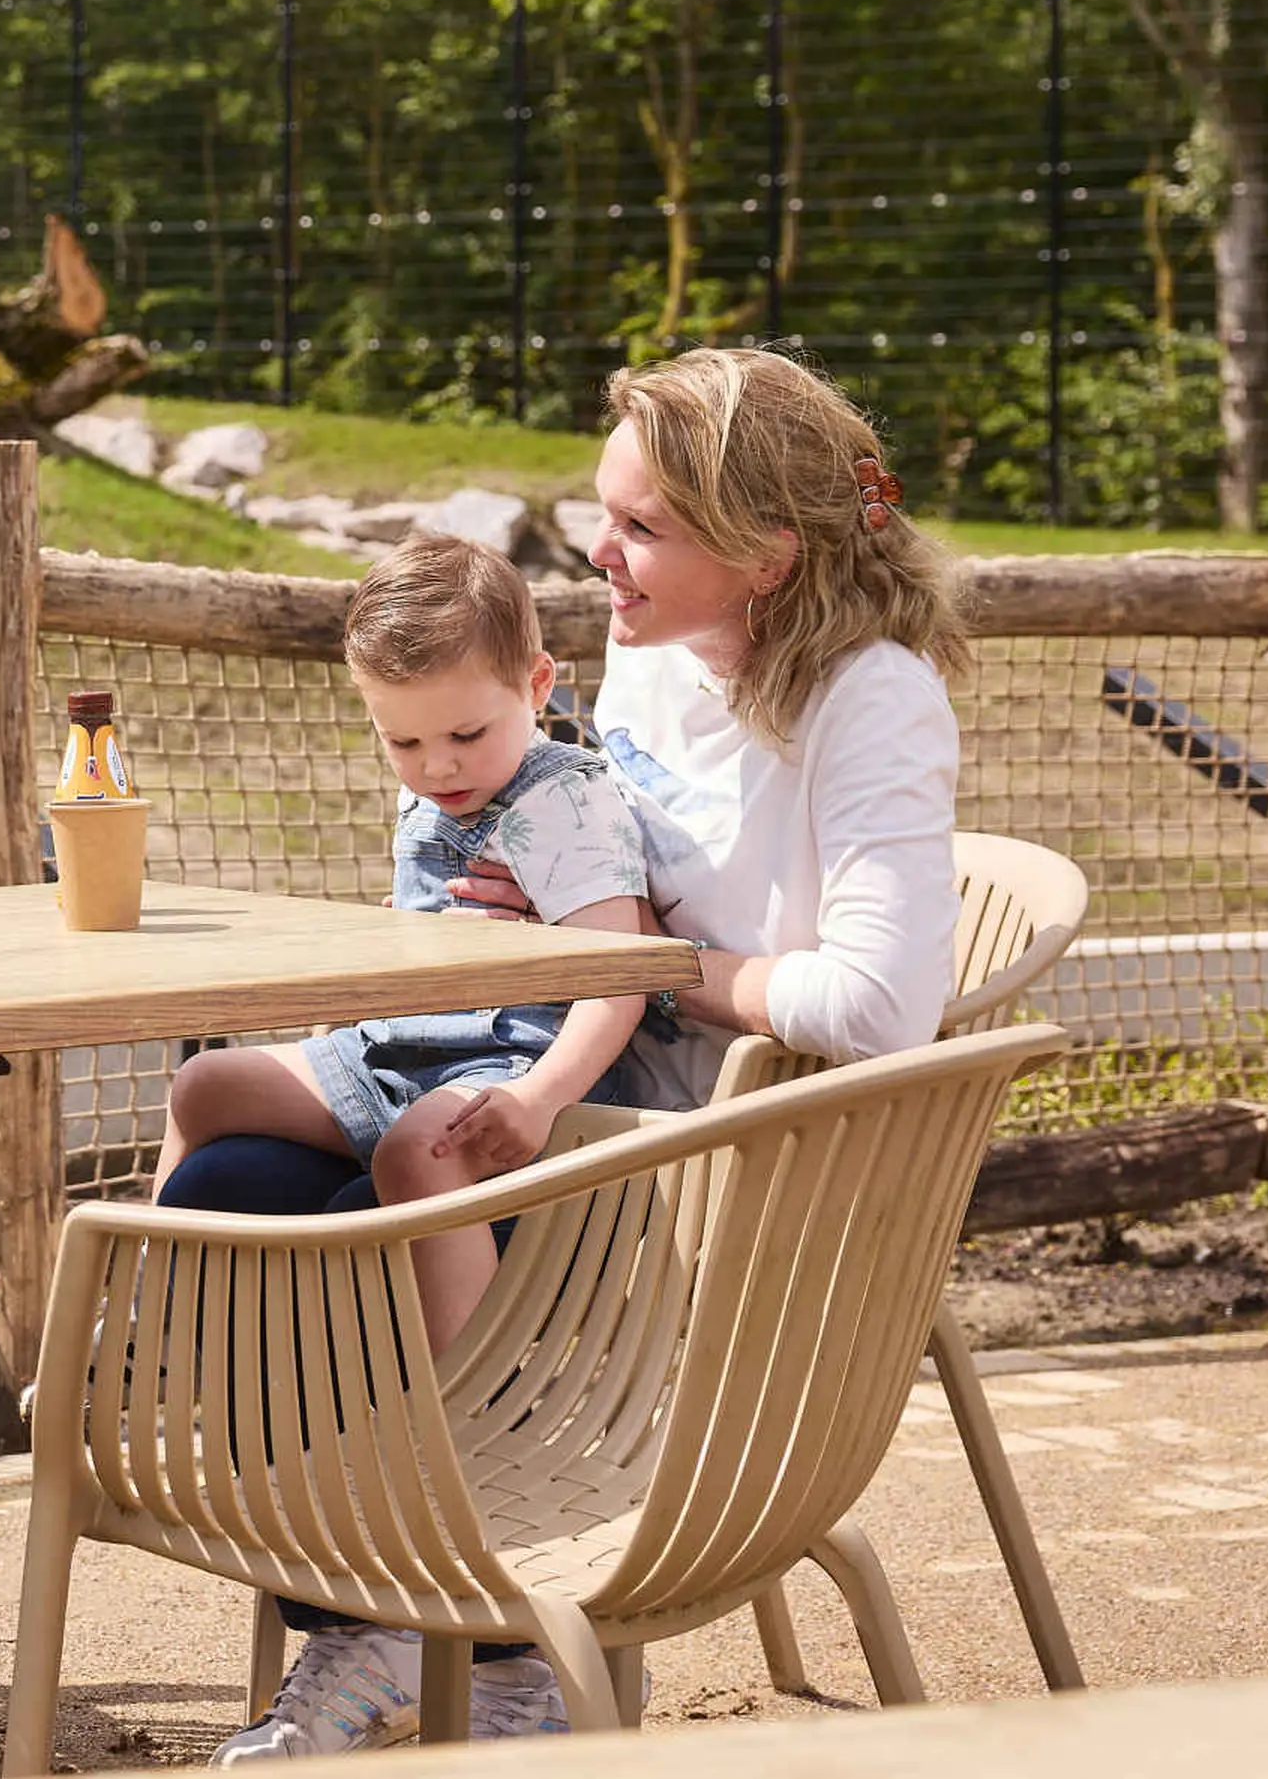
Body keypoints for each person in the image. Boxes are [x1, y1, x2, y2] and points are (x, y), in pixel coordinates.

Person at [181, 345, 970, 1760]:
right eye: (605, 511)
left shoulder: (877, 701)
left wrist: (647, 961)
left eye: (644, 526)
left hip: (697, 1166)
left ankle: (479, 1645)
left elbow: (880, 1002)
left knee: (330, 1281)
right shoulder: (659, 664)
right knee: (229, 1182)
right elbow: (586, 843)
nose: (599, 551)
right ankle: (398, 1619)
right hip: (565, 1095)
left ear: (768, 551)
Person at [153, 534, 660, 1352]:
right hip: (397, 1050)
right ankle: (158, 1321)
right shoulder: (435, 782)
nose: (436, 767)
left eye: (464, 735)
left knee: (418, 1152)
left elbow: (620, 977)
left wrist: (540, 1099)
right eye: (405, 743)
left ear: (536, 686)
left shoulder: (563, 802)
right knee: (206, 1086)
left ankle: (464, 1393)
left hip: (512, 1061)